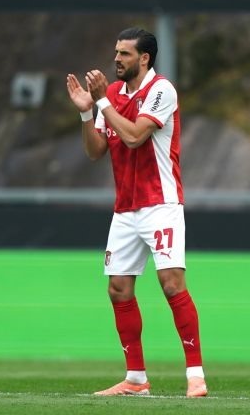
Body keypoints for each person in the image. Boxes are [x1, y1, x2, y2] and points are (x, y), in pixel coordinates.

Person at [66, 27, 207, 397]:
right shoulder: (111, 94)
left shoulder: (161, 90)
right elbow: (96, 150)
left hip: (161, 204)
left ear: (144, 58)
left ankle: (195, 374)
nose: (117, 59)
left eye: (125, 54)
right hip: (126, 209)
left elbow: (133, 137)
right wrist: (87, 113)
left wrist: (102, 103)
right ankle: (136, 379)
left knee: (171, 283)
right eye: (116, 52)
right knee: (118, 288)